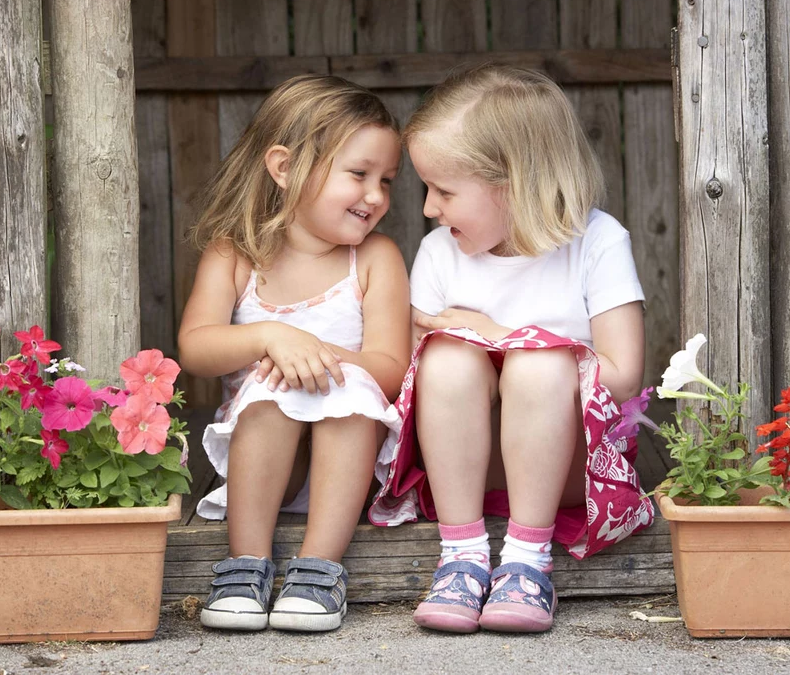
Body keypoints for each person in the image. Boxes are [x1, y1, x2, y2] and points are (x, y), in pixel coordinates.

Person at [368, 64, 655, 634]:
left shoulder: (597, 242)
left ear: (513, 183)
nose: (428, 207)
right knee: (447, 357)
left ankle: (527, 563)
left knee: (541, 365)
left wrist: (503, 339)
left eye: (444, 190)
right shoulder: (439, 254)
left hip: (570, 471)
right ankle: (463, 559)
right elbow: (407, 379)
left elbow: (621, 376)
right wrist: (445, 341)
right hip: (464, 473)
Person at [178, 75, 410, 633]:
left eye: (387, 180)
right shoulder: (234, 253)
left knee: (350, 394)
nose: (376, 196)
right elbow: (195, 347)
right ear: (283, 168)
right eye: (358, 174)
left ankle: (318, 573)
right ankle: (244, 567)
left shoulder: (376, 258)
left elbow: (390, 368)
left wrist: (318, 354)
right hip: (261, 468)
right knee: (271, 392)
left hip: (345, 469)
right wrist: (271, 338)